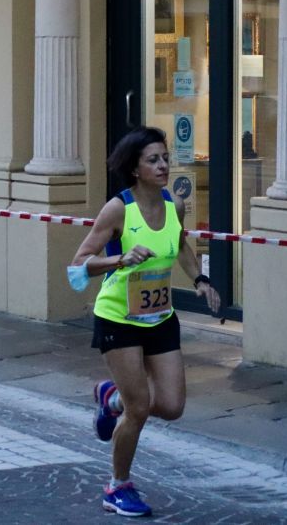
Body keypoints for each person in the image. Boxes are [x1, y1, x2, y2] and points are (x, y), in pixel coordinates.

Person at [68, 126, 221, 518]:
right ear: (135, 168)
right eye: (153, 160)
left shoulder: (175, 205)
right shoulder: (118, 209)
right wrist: (119, 259)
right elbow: (78, 265)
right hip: (118, 318)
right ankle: (117, 486)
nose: (163, 165)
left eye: (165, 158)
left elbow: (180, 246)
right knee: (139, 409)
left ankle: (112, 398)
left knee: (171, 406)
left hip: (160, 317)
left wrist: (200, 281)